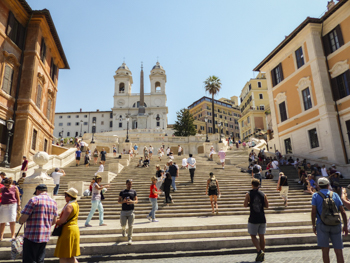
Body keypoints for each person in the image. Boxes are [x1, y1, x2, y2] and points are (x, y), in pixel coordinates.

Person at [311, 177, 348, 263]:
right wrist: (345, 225)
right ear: (328, 185)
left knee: (325, 251)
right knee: (339, 250)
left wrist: (313, 225)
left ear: (319, 186)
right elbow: (342, 211)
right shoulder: (334, 195)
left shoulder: (315, 195)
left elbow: (313, 212)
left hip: (322, 224)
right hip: (335, 223)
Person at [19, 184, 58, 263]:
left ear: (37, 191)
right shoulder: (53, 202)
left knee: (29, 259)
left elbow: (23, 218)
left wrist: (20, 221)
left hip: (31, 235)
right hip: (45, 235)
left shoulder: (34, 200)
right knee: (40, 259)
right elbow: (54, 221)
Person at [244, 178, 269, 262]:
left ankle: (259, 250)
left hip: (253, 217)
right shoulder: (263, 194)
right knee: (262, 236)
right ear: (259, 185)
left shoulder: (248, 193)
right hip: (262, 217)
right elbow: (267, 205)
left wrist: (250, 203)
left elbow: (244, 204)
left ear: (252, 184)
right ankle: (262, 254)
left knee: (253, 235)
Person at [53, 188, 80, 262]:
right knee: (70, 256)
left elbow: (62, 220)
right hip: (73, 229)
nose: (65, 197)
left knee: (63, 255)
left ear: (70, 196)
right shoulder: (75, 204)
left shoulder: (69, 206)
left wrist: (52, 221)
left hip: (68, 230)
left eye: (66, 195)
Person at [118, 179, 138, 245]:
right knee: (123, 225)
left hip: (131, 211)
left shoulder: (133, 191)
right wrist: (124, 201)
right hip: (123, 211)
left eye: (131, 184)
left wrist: (131, 201)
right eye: (129, 184)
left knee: (131, 225)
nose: (130, 185)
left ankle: (130, 239)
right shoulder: (122, 192)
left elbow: (136, 201)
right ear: (126, 184)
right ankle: (123, 230)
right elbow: (118, 201)